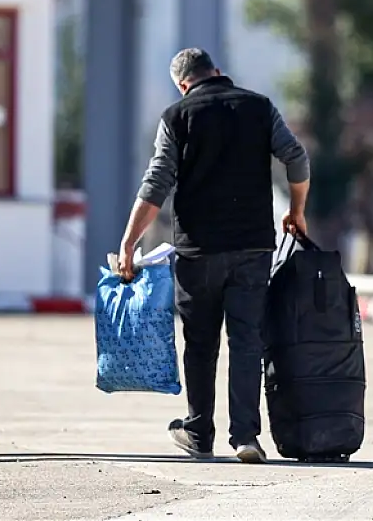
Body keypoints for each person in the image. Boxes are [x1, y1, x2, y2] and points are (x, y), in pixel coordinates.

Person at [116, 48, 310, 464]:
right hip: (253, 247)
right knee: (246, 341)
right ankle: (245, 437)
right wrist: (296, 211)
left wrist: (129, 243)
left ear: (184, 84)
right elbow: (296, 157)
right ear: (218, 72)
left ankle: (199, 432)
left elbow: (156, 184)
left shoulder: (177, 116)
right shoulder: (259, 107)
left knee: (200, 344)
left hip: (198, 250)